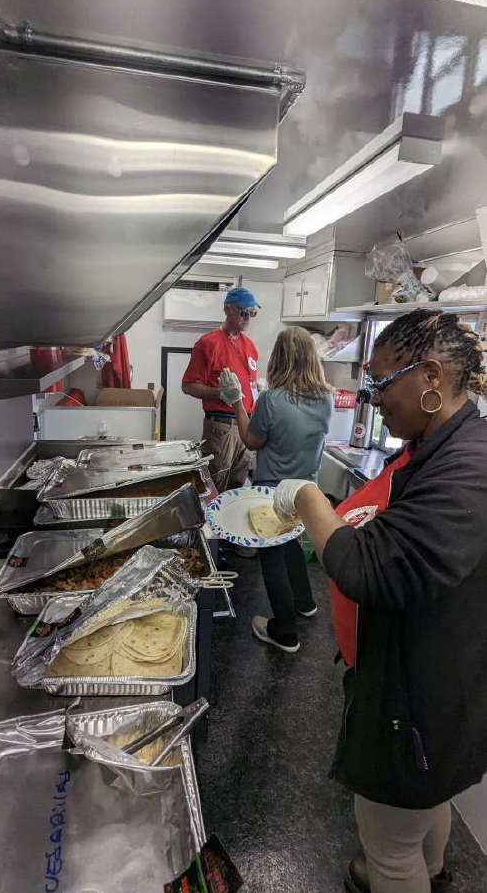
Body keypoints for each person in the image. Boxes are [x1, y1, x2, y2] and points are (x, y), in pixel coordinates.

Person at [273, 310, 487, 893]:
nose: (371, 398)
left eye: (382, 382)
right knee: (423, 805)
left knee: (389, 844)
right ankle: (436, 872)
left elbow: (367, 568)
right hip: (423, 682)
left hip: (423, 699)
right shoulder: (433, 445)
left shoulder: (470, 467)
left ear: (432, 376)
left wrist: (308, 496)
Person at [219, 326, 333, 652]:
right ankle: (305, 602)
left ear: (278, 358)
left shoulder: (272, 399)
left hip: (272, 493)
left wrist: (237, 402)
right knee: (292, 544)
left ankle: (285, 632)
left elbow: (252, 440)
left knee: (271, 559)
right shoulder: (326, 397)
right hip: (305, 492)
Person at [182, 286, 260, 495]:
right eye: (243, 312)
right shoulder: (209, 343)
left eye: (252, 313)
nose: (248, 318)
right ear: (228, 310)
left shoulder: (250, 345)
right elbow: (187, 385)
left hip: (246, 427)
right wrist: (219, 394)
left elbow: (250, 383)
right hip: (221, 428)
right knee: (214, 486)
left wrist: (258, 391)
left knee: (237, 487)